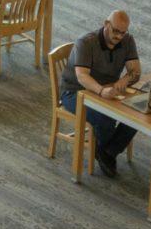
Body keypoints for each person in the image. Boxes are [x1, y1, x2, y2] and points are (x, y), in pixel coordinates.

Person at [60, 10, 142, 178]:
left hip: (108, 89)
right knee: (106, 119)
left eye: (123, 32)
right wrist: (101, 91)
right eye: (116, 31)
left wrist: (124, 80)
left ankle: (106, 152)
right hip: (75, 92)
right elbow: (82, 76)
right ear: (106, 24)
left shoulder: (127, 40)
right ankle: (106, 153)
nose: (119, 36)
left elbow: (135, 71)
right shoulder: (86, 42)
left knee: (138, 116)